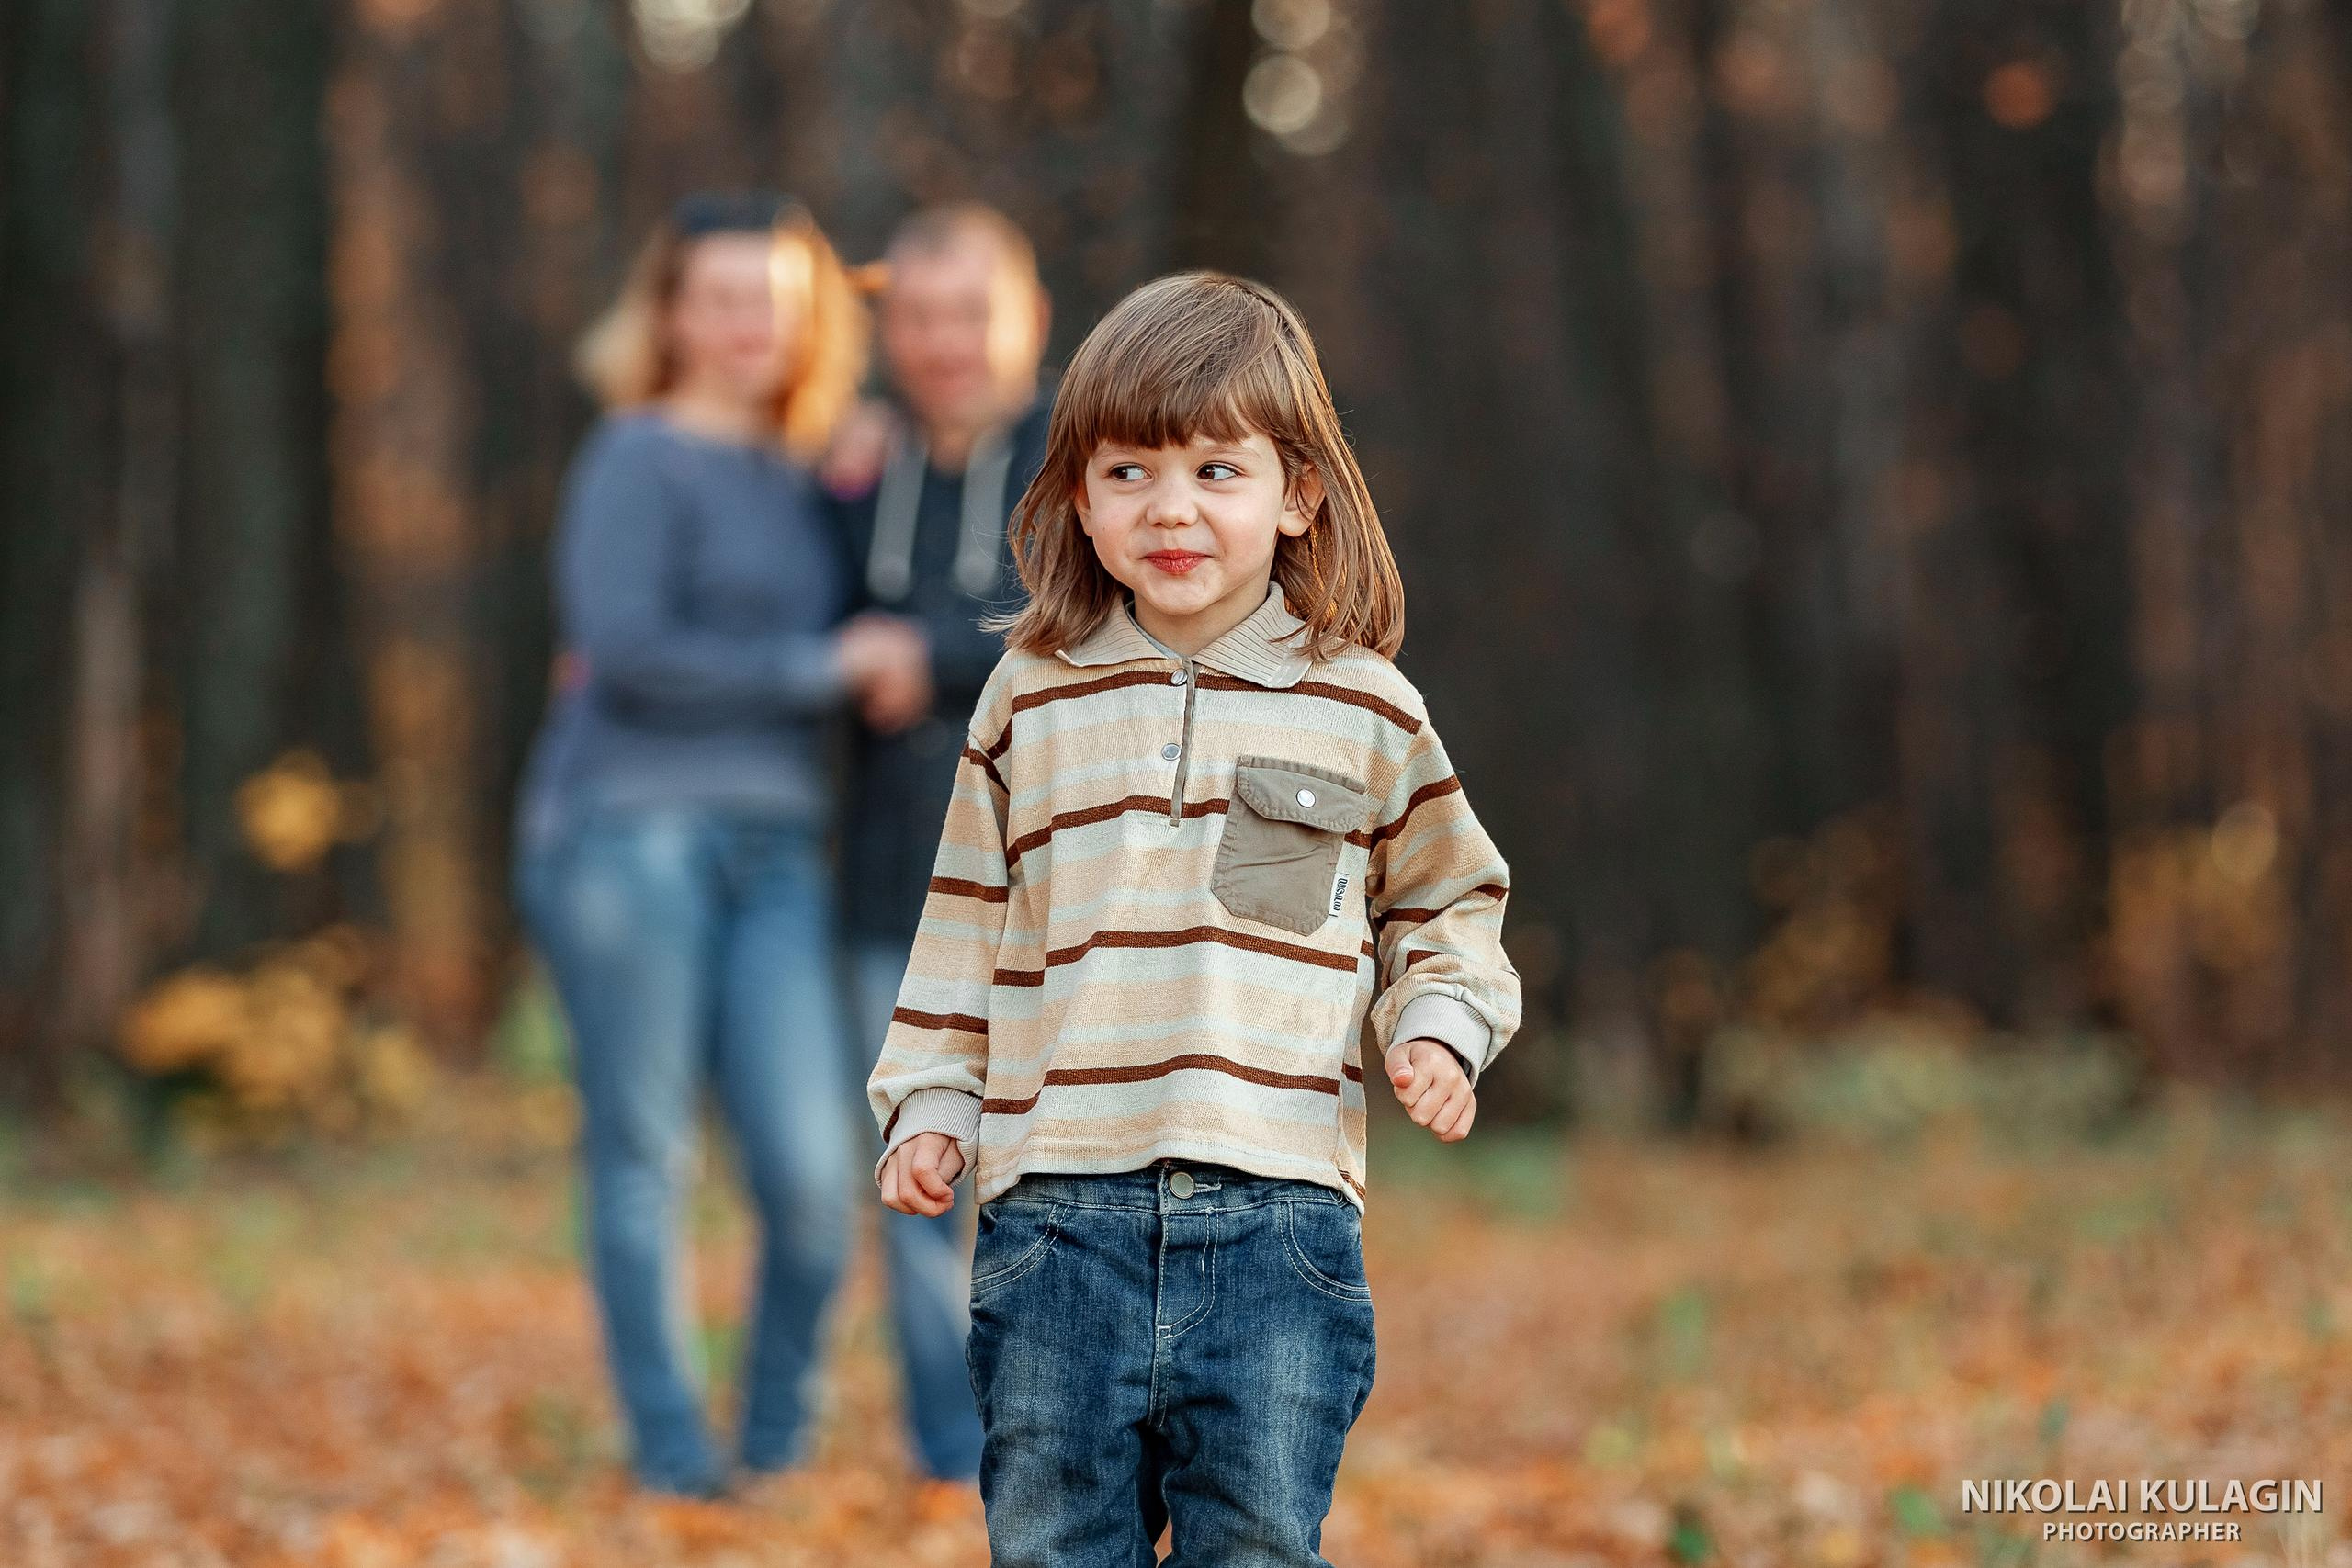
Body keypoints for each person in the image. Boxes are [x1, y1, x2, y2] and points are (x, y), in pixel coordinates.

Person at [865, 272, 1523, 1564]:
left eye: (1218, 470)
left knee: (1259, 1545)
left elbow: (1447, 894)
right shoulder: (1029, 697)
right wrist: (932, 1096)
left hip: (1278, 1219)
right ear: (1080, 500)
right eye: (1129, 473)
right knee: (1054, 1545)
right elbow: (965, 917)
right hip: (1056, 1219)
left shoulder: (1362, 704)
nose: (1171, 507)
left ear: (1298, 494)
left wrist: (1440, 1021)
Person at [511, 191, 930, 1499]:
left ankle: (772, 1444)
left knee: (812, 1178)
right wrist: (818, 668)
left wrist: (871, 468)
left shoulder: (814, 472)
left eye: (776, 302)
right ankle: (674, 1456)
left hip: (777, 850)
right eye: (723, 298)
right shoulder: (636, 456)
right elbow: (625, 653)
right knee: (646, 1155)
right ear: (673, 315)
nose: (752, 324)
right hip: (626, 835)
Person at [820, 201, 1053, 1490]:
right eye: (916, 317)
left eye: (971, 312)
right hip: (887, 892)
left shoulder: (1091, 453)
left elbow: (1103, 611)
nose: (944, 342)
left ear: (1029, 317)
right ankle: (950, 1456)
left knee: (1059, 1185)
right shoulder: (859, 468)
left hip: (1053, 890)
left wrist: (929, 654)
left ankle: (1067, 1437)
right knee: (915, 1181)